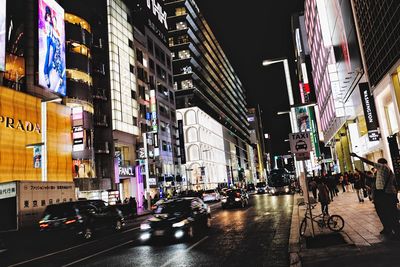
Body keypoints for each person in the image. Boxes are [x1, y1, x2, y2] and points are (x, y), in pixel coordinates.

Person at [350, 153, 400, 238]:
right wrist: (360, 172)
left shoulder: (383, 167)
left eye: (378, 163)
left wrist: (357, 156)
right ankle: (388, 228)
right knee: (384, 212)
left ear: (381, 163)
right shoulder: (383, 171)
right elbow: (372, 179)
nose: (376, 165)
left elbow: (368, 162)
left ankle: (396, 231)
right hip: (385, 194)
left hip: (386, 195)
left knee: (390, 213)